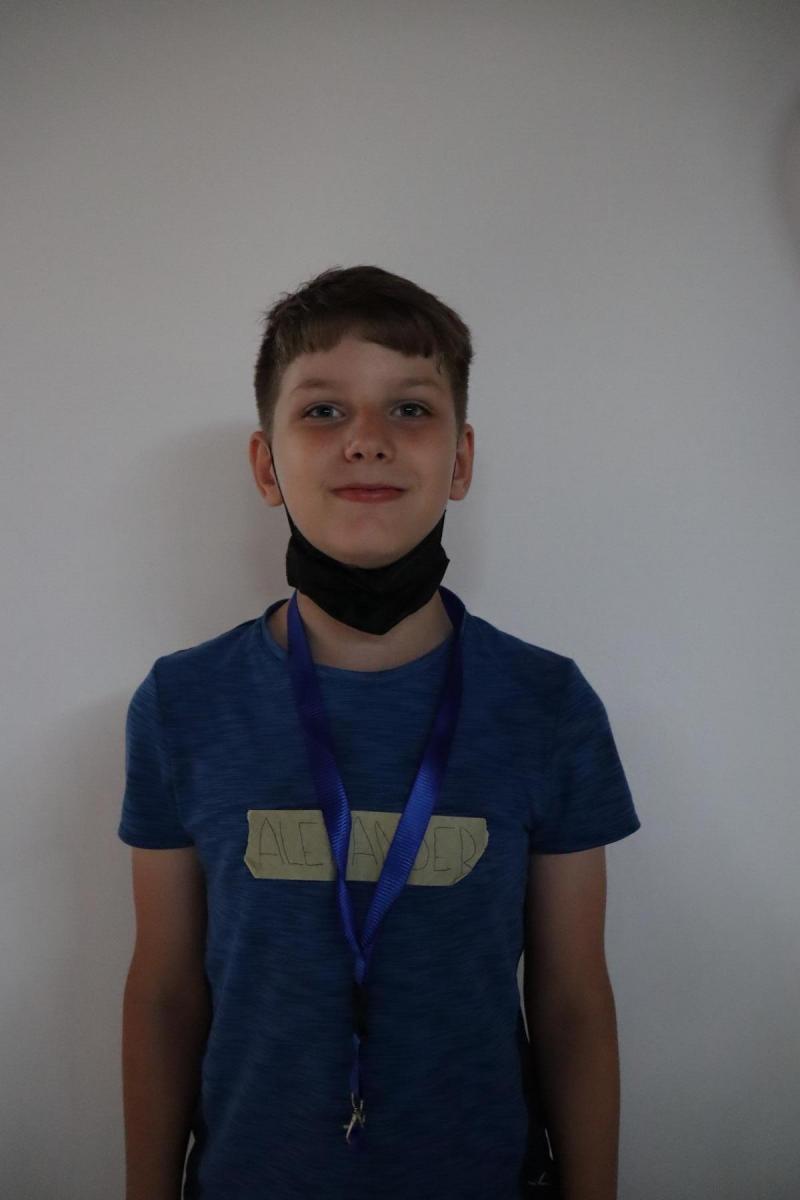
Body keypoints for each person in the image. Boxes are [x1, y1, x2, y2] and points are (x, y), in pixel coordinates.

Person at [118, 263, 641, 1200]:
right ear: (265, 466)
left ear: (462, 459)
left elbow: (572, 1006)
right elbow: (164, 997)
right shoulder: (181, 704)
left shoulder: (548, 706)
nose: (367, 440)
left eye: (410, 409)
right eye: (323, 411)